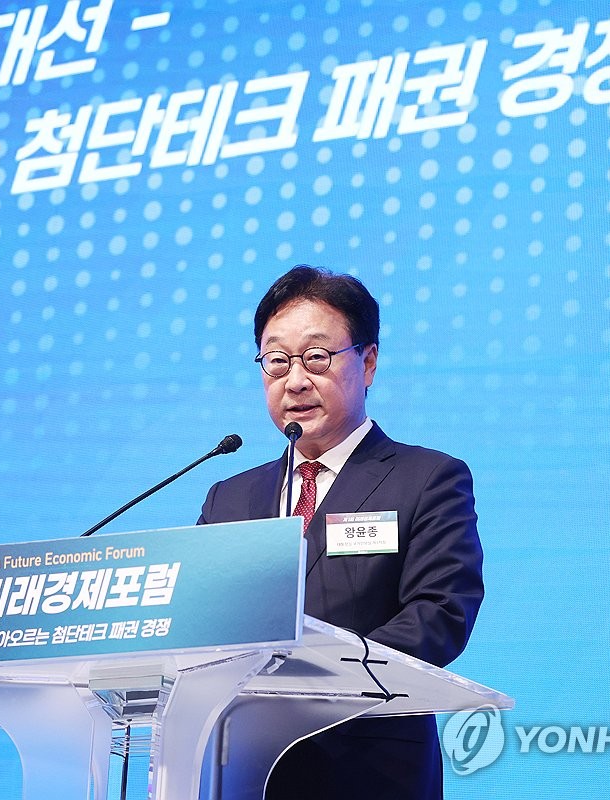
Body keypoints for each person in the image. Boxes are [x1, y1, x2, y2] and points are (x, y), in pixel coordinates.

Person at [197, 265, 484, 800]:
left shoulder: (427, 479)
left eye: (316, 357)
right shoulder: (228, 497)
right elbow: (198, 624)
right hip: (238, 771)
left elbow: (440, 613)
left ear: (368, 361)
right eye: (276, 361)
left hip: (366, 767)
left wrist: (310, 677)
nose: (295, 380)